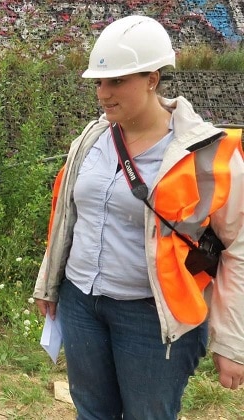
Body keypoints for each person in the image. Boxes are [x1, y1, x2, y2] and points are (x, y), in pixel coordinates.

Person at [33, 15, 244, 419]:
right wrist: (50, 284)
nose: (103, 94)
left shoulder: (204, 153)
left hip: (151, 317)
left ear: (153, 79)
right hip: (82, 304)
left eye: (117, 82)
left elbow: (238, 248)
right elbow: (68, 216)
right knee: (92, 412)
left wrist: (232, 342)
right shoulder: (92, 138)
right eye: (99, 82)